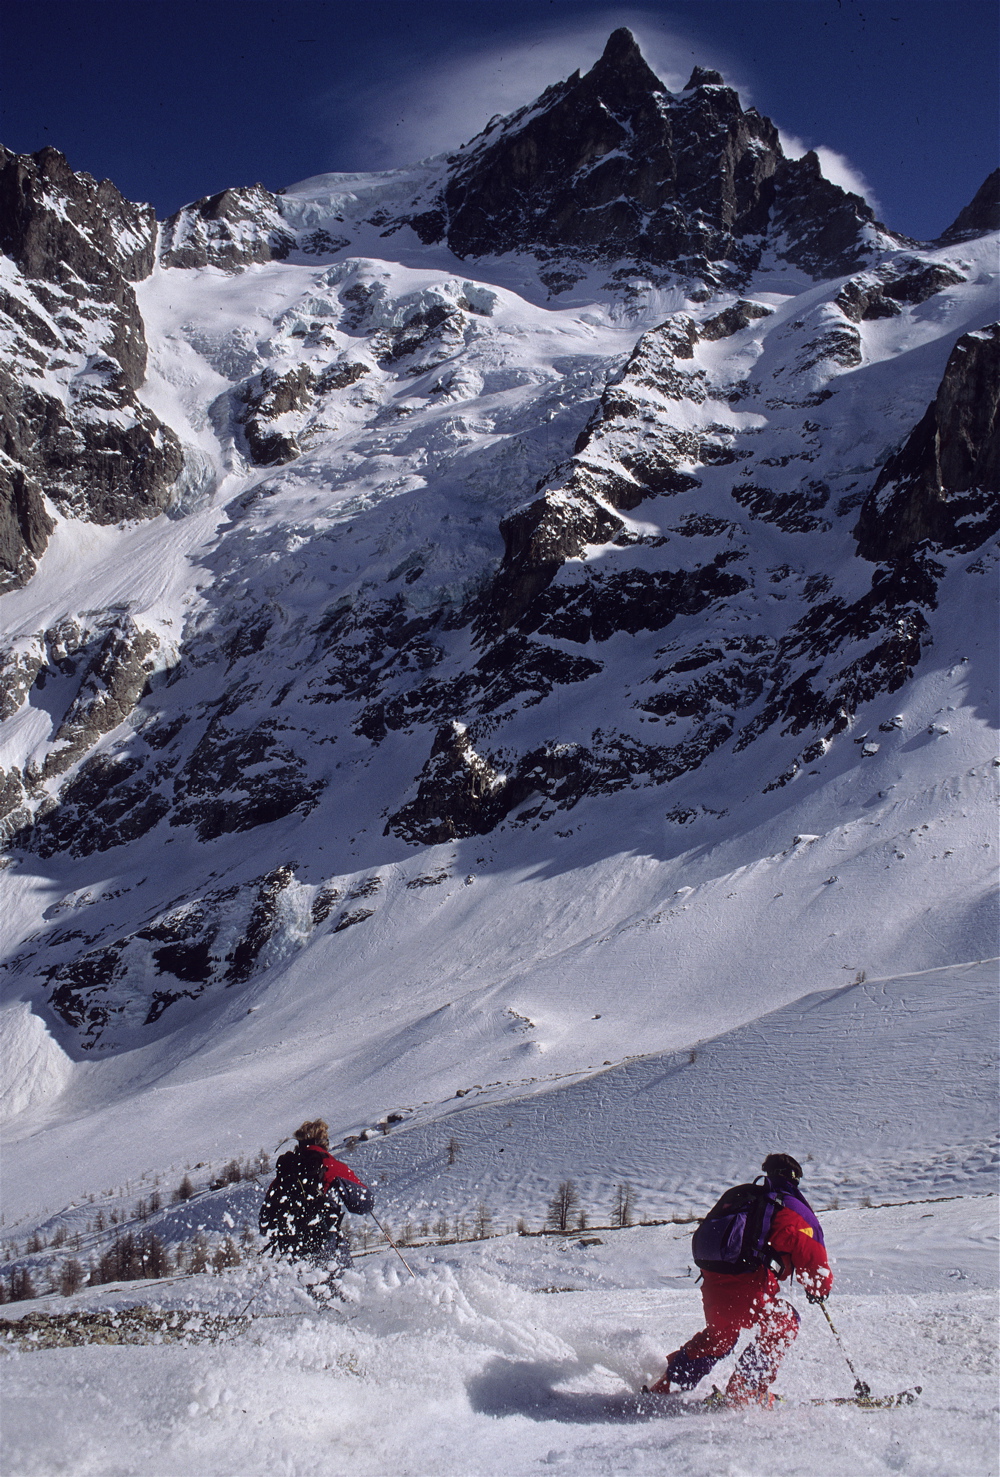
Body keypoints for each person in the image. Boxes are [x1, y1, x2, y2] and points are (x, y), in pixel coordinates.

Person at [650, 1153, 833, 1407]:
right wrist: (819, 1289)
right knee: (783, 1324)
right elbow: (814, 1258)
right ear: (795, 1179)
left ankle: (668, 1385)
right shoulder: (792, 1208)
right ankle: (745, 1391)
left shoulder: (743, 1197)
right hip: (751, 1286)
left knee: (719, 1338)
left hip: (714, 1284)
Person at [259, 1119, 373, 1280]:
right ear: (324, 1141)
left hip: (295, 1254)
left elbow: (265, 1222)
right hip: (329, 1248)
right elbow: (365, 1204)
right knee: (341, 1298)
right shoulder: (329, 1165)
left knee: (314, 1300)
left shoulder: (285, 1173)